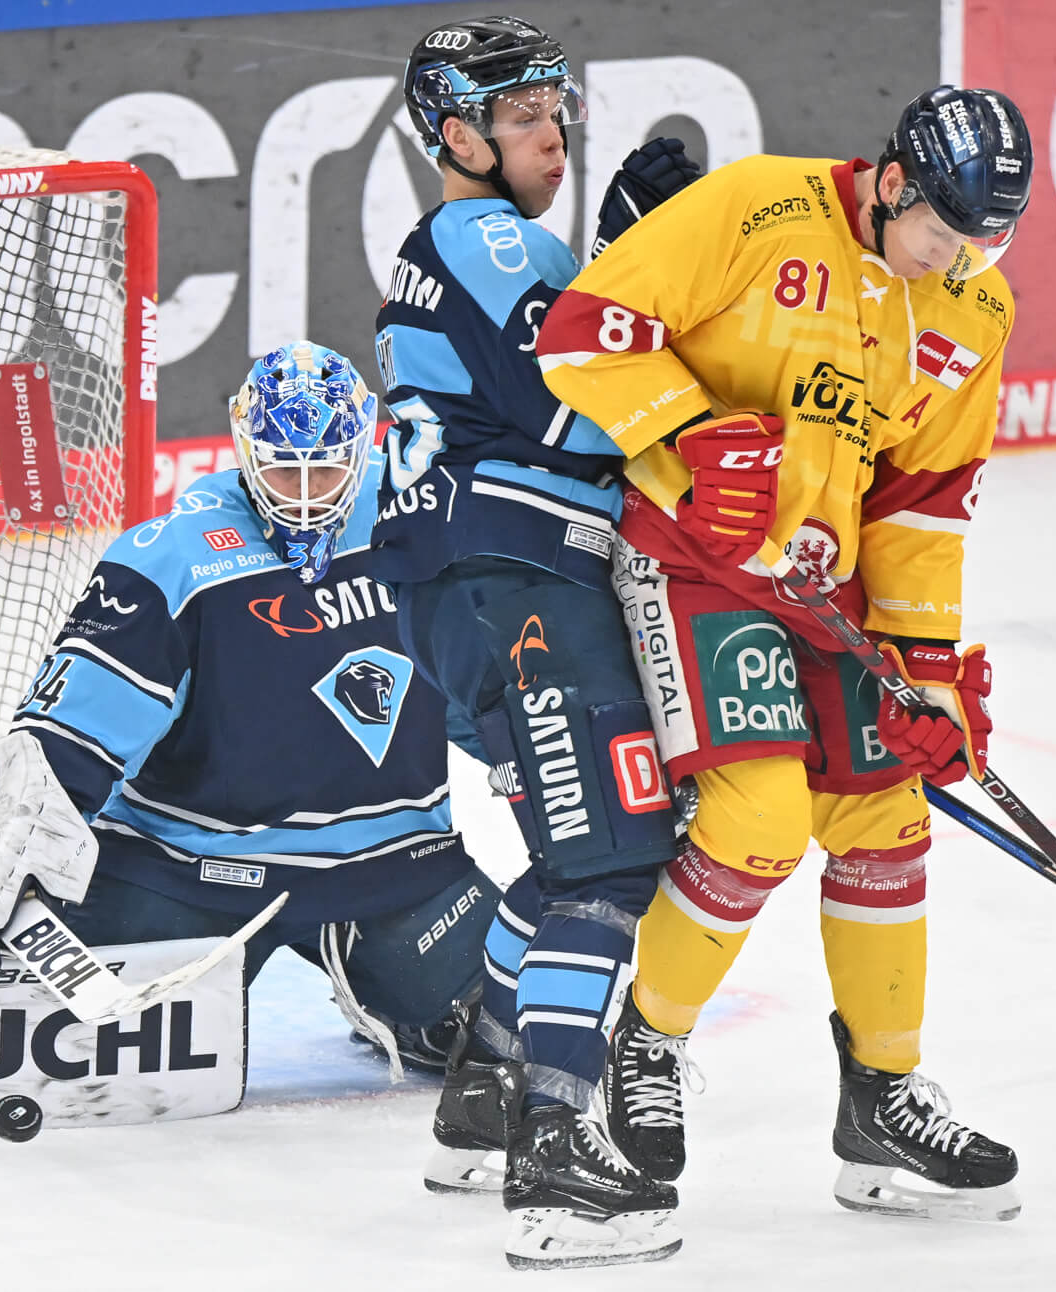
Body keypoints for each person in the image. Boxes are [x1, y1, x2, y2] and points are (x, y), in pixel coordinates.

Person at [0, 341, 502, 1138]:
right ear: (246, 443)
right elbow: (64, 743)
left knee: (529, 1029)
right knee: (9, 1034)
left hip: (397, 871)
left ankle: (396, 988)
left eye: (327, 464)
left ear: (367, 443)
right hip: (190, 876)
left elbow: (486, 686)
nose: (307, 489)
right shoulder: (169, 558)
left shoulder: (424, 531)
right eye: (285, 464)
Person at [534, 85, 1034, 1224]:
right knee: (755, 818)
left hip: (829, 585)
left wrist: (926, 671)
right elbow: (586, 331)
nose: (952, 259)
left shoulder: (973, 306)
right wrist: (691, 433)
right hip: (691, 560)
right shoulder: (758, 206)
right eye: (940, 231)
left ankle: (882, 1096)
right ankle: (643, 1048)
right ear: (895, 179)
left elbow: (923, 502)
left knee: (885, 813)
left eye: (979, 241)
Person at [374, 14, 702, 1270]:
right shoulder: (486, 232)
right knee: (608, 862)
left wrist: (618, 254)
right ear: (454, 136)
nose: (549, 139)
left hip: (473, 596)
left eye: (555, 114)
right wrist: (646, 258)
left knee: (585, 850)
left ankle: (481, 1081)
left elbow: (552, 379)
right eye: (520, 121)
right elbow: (590, 404)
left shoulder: (471, 244)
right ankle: (553, 1148)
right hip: (518, 586)